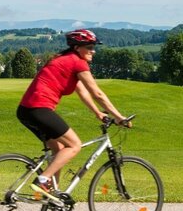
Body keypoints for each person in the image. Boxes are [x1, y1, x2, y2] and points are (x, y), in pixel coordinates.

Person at [17, 29, 129, 200]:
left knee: (59, 149)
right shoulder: (77, 63)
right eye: (90, 47)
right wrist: (119, 117)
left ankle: (51, 194)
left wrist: (98, 113)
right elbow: (97, 93)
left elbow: (83, 92)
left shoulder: (65, 61)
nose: (93, 51)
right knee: (74, 145)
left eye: (94, 47)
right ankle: (42, 180)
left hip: (27, 110)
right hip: (39, 109)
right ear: (77, 47)